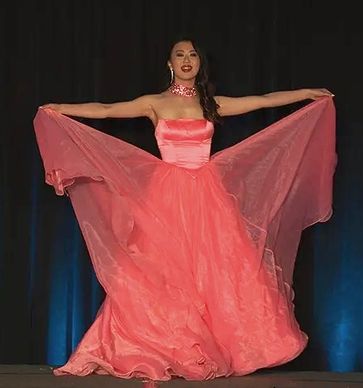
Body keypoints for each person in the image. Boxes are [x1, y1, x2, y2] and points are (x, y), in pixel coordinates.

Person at [34, 38, 336, 385]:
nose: (187, 59)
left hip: (207, 196)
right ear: (170, 63)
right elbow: (105, 110)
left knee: (215, 271)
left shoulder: (210, 104)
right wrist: (60, 108)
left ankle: (219, 347)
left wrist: (305, 94)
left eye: (192, 54)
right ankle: (164, 347)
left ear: (199, 63)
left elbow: (262, 102)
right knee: (162, 273)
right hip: (166, 195)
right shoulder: (154, 103)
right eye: (180, 54)